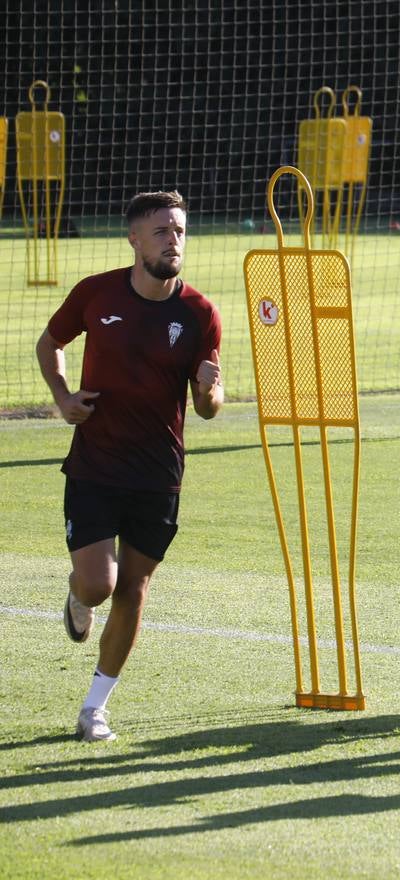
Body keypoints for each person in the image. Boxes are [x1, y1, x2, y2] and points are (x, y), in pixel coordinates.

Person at [35, 190, 223, 742]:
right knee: (98, 585)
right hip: (95, 465)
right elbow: (50, 343)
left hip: (158, 473)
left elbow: (208, 408)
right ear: (135, 239)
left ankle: (95, 707)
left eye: (181, 231)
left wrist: (211, 392)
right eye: (163, 231)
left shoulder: (200, 313)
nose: (174, 241)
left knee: (134, 589)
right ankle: (76, 596)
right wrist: (62, 396)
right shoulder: (95, 294)